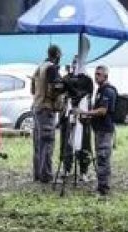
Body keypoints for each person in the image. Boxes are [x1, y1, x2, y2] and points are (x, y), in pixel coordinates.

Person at [80, 65, 117, 196]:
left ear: (105, 76)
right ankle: (101, 185)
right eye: (96, 74)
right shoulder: (100, 90)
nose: (96, 77)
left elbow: (103, 110)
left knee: (103, 157)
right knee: (100, 157)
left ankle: (103, 188)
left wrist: (87, 113)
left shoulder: (108, 91)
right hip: (99, 129)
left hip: (105, 130)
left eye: (99, 74)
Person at [31, 44, 64, 183]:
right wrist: (63, 89)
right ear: (57, 54)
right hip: (46, 108)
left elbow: (32, 89)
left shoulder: (40, 67)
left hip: (37, 106)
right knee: (47, 142)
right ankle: (46, 176)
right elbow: (54, 89)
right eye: (60, 56)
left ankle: (38, 174)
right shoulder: (51, 68)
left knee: (38, 143)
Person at [59, 57, 93, 182]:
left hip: (82, 117)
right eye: (74, 63)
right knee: (66, 142)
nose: (75, 66)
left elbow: (87, 96)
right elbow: (61, 93)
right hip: (68, 115)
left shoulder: (88, 80)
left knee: (84, 143)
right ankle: (66, 168)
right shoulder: (66, 78)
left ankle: (83, 170)